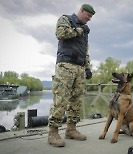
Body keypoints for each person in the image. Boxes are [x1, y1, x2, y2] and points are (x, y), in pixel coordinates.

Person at [48, 4, 95, 147]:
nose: (89, 19)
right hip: (65, 66)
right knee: (61, 98)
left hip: (79, 68)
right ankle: (53, 133)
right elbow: (60, 34)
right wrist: (80, 30)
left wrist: (87, 67)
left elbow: (84, 51)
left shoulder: (84, 31)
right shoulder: (66, 19)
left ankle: (71, 129)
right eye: (88, 16)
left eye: (91, 17)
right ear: (81, 11)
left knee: (77, 100)